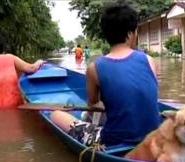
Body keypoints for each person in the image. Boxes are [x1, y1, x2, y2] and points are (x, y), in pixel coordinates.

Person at [50, 3, 160, 147]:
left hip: (112, 141)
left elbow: (92, 104)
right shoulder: (149, 60)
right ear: (129, 34)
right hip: (154, 138)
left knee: (55, 115)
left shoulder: (94, 68)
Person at [0, 34, 45, 109]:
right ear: (3, 48)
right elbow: (31, 68)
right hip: (13, 103)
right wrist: (39, 62)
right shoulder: (10, 58)